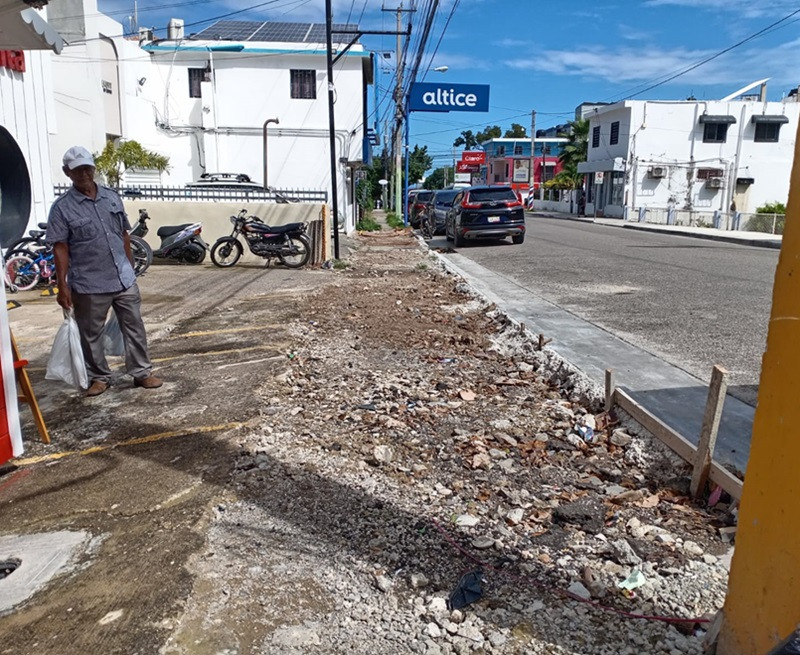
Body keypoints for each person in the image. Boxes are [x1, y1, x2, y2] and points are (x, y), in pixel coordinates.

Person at [46, 146, 162, 397]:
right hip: (89, 283)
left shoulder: (111, 197)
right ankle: (100, 376)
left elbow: (123, 235)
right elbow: (60, 248)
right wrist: (62, 285)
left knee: (134, 326)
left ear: (94, 168)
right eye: (78, 170)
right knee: (91, 333)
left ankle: (141, 372)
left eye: (88, 167)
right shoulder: (62, 208)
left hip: (123, 278)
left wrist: (130, 267)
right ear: (68, 172)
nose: (84, 173)